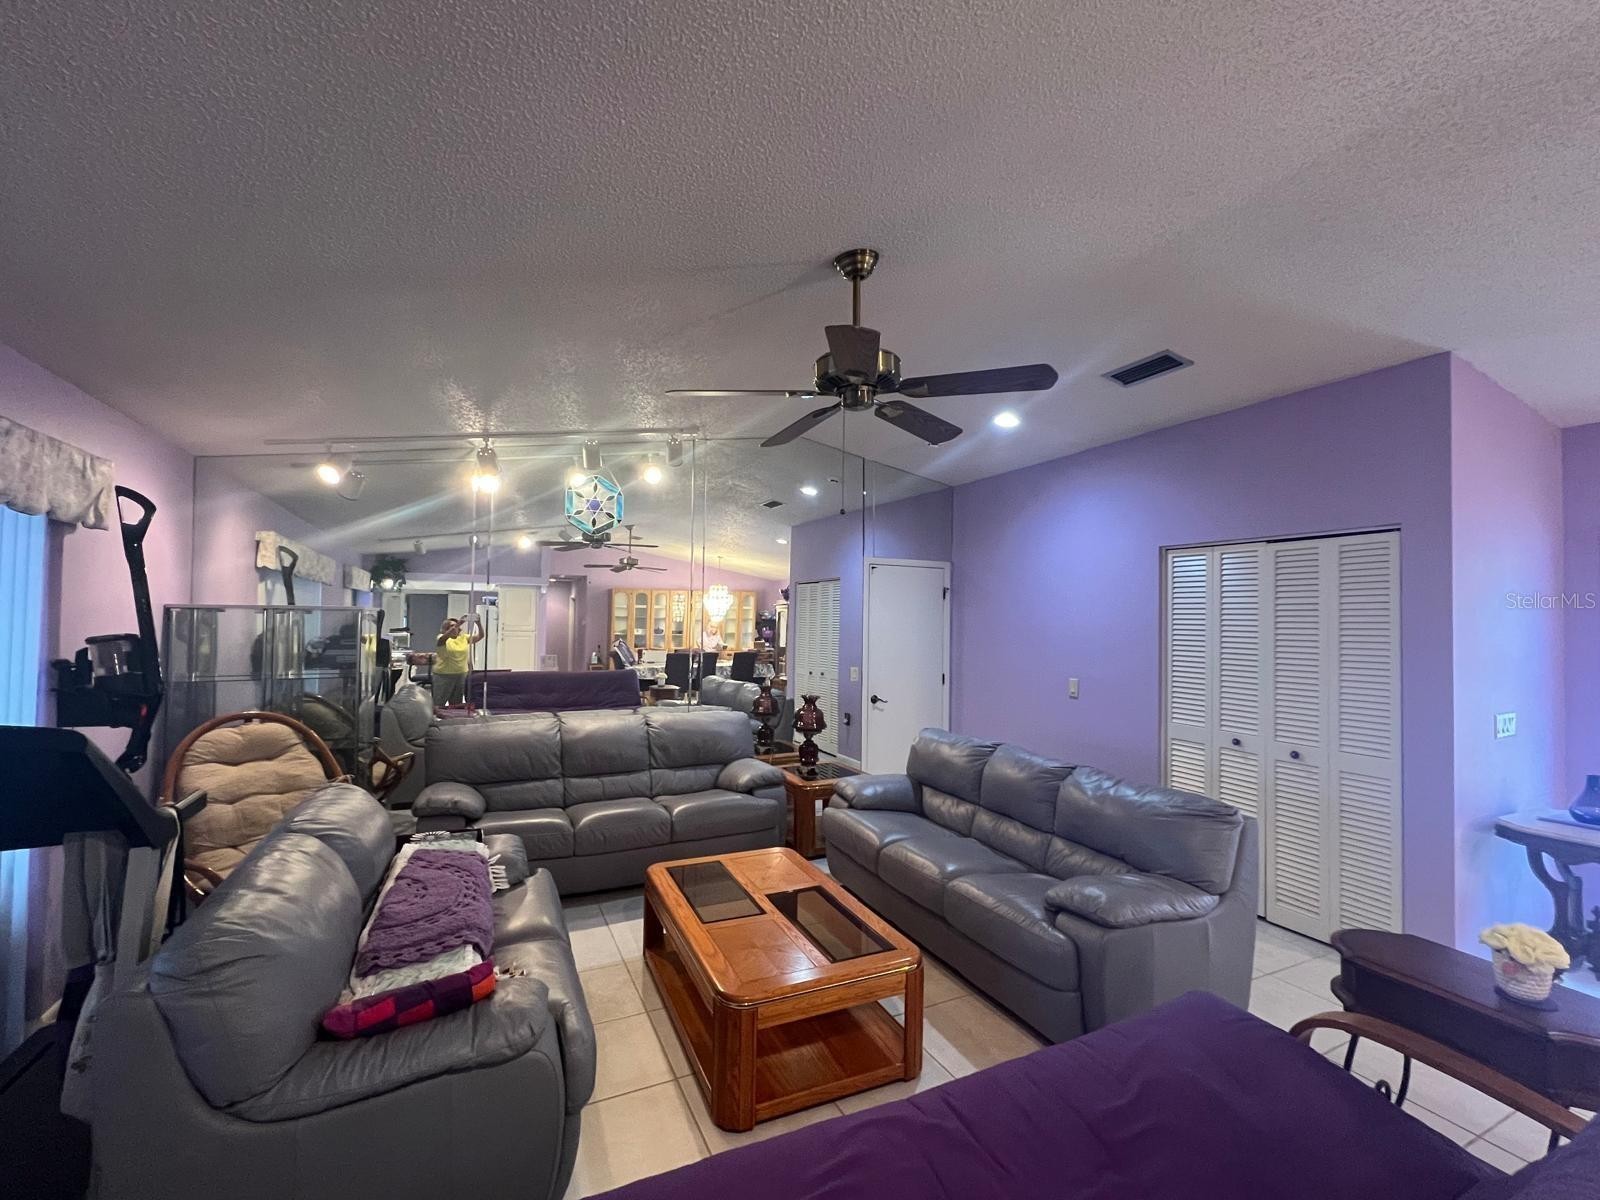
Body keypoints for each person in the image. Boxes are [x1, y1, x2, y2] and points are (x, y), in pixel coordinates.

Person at [433, 614, 482, 706]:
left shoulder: (463, 638)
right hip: (444, 675)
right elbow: (442, 639)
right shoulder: (442, 638)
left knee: (456, 704)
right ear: (446, 629)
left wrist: (478, 623)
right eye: (452, 626)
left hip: (461, 675)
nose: (455, 628)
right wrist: (459, 623)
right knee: (439, 703)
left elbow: (480, 636)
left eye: (456, 626)